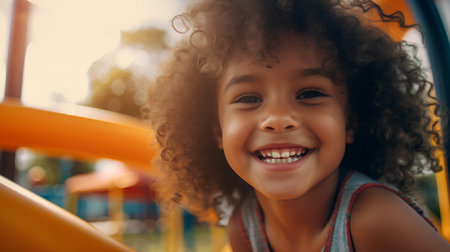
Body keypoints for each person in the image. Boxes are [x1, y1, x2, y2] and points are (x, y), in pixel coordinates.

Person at [144, 0, 450, 251]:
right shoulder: (246, 227)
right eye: (249, 97)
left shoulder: (376, 219)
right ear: (218, 131)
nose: (278, 118)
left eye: (310, 93)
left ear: (350, 121)